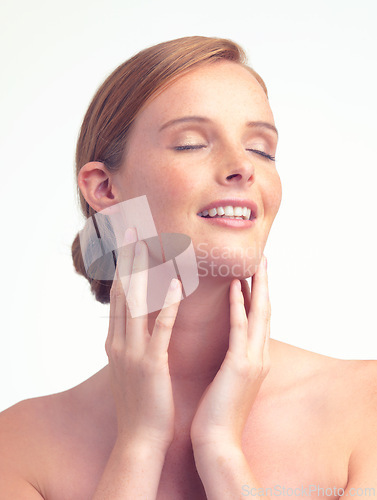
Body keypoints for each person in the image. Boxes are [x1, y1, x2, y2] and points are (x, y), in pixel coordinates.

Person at [0, 35, 376, 499]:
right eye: (192, 144)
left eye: (262, 149)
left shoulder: (367, 408)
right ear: (105, 190)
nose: (243, 167)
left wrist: (220, 450)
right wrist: (138, 447)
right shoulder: (16, 445)